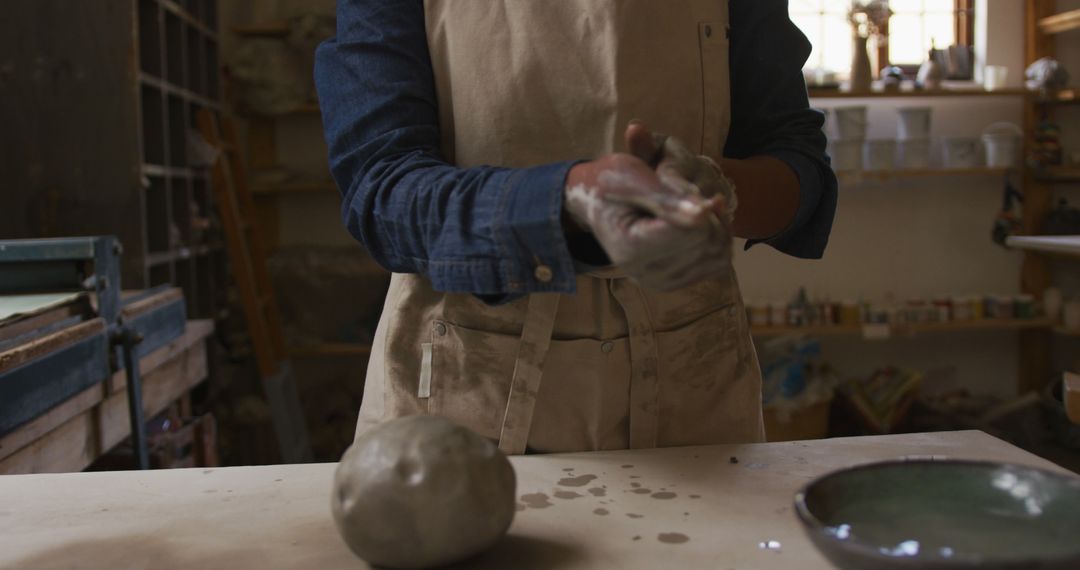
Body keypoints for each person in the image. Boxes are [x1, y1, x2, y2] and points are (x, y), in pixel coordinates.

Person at [315, 0, 837, 455]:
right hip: (464, 397)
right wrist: (573, 198)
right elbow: (382, 191)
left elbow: (798, 163)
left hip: (691, 393)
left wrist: (716, 188)